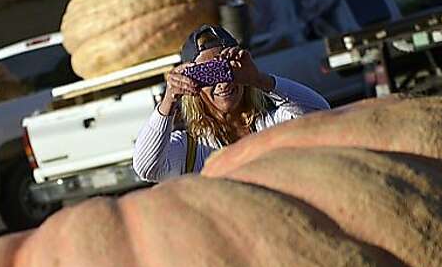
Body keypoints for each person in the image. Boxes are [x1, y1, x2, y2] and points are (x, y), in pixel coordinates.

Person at [133, 24, 330, 181]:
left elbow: (320, 114)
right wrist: (169, 100)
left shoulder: (270, 125)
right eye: (208, 74)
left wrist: (259, 79)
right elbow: (145, 167)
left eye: (226, 69)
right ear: (193, 82)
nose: (222, 82)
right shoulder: (189, 149)